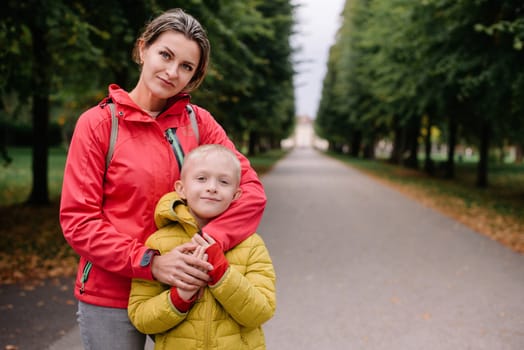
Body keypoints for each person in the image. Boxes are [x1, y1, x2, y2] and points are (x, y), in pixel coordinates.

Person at [59, 8, 266, 349]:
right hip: (111, 295)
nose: (172, 72)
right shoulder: (98, 125)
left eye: (186, 67)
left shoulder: (200, 124)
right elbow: (79, 221)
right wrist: (150, 262)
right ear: (143, 49)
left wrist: (208, 244)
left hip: (187, 292)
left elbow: (252, 192)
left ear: (194, 77)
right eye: (165, 55)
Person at [128, 144, 276, 349]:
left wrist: (222, 274)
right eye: (201, 179)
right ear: (181, 189)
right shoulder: (159, 243)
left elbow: (261, 312)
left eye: (223, 181)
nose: (212, 187)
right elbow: (142, 318)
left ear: (236, 195)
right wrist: (179, 296)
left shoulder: (251, 245)